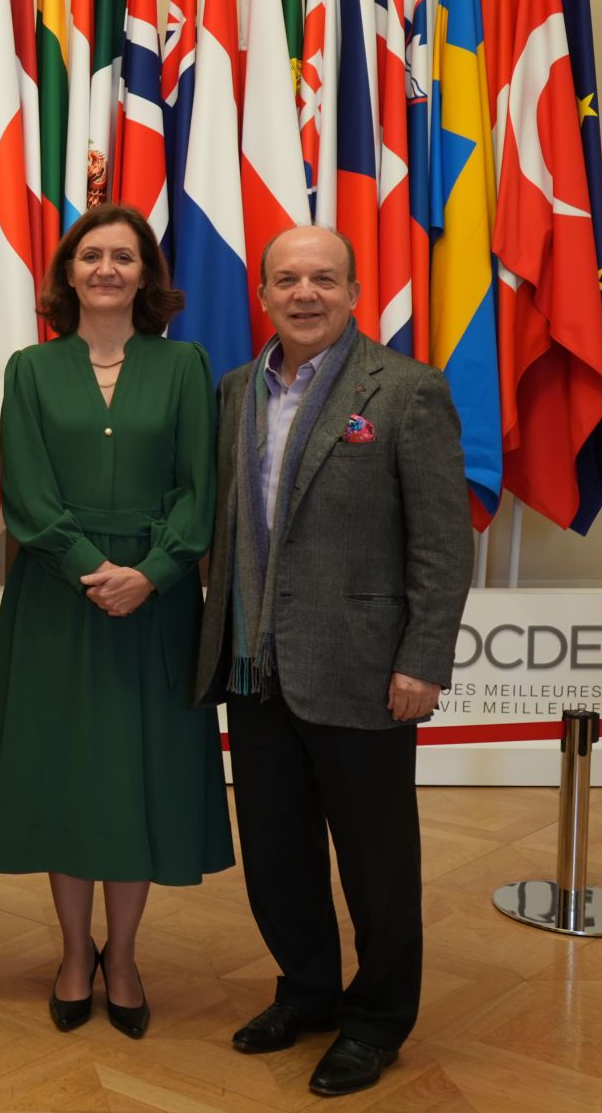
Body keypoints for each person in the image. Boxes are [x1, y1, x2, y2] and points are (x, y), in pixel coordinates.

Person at [192, 225, 472, 1097]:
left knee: (377, 865)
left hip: (363, 670)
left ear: (353, 290)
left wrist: (422, 661)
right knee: (277, 856)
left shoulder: (408, 391)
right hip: (255, 667)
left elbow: (441, 544)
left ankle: (378, 1018)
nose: (304, 293)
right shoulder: (236, 390)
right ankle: (307, 990)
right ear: (265, 295)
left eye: (323, 278)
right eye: (288, 279)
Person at [0, 204, 232, 1040]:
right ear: (69, 272)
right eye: (93, 255)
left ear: (147, 274)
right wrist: (95, 569)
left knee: (140, 775)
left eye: (125, 256)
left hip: (156, 604)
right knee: (68, 773)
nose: (108, 269)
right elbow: (27, 497)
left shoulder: (187, 364)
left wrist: (154, 572)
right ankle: (72, 952)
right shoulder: (29, 367)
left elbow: (203, 490)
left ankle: (122, 955)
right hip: (59, 598)